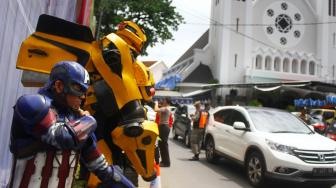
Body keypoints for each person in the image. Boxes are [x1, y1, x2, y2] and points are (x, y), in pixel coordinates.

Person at [8, 61, 134, 188]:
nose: (83, 97)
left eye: (85, 91)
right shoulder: (32, 104)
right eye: (78, 89)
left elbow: (102, 169)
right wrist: (90, 121)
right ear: (59, 85)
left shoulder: (77, 121)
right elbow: (60, 137)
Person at [154, 97, 172, 167]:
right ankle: (164, 161)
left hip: (164, 127)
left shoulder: (166, 108)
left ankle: (166, 163)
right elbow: (159, 114)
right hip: (163, 127)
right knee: (161, 144)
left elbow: (155, 109)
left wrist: (155, 103)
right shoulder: (165, 108)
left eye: (164, 100)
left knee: (164, 145)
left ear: (167, 101)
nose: (163, 101)